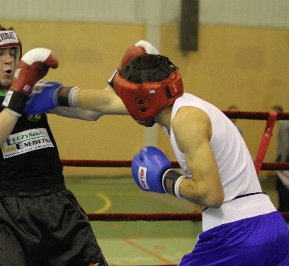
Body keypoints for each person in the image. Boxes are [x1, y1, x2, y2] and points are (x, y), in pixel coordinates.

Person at [35, 41, 289, 264]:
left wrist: (166, 178)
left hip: (237, 234)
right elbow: (103, 103)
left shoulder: (185, 122)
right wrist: (57, 95)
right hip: (271, 227)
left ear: (142, 100)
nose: (123, 103)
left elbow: (211, 195)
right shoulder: (180, 105)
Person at [0, 22, 107, 265]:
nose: (9, 60)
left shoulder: (35, 92)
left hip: (59, 203)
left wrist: (124, 75)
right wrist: (20, 92)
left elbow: (92, 112)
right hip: (13, 211)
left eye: (12, 52)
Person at [272, 105, 289, 212]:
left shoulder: (283, 124)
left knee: (282, 185)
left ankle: (284, 209)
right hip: (285, 156)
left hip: (285, 158)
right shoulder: (285, 123)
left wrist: (282, 161)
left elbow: (285, 144)